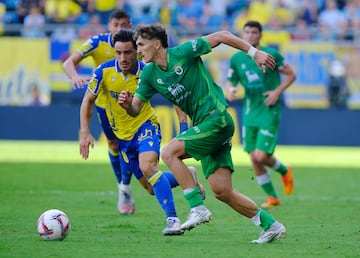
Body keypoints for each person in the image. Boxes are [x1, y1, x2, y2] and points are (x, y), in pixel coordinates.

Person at [118, 24, 286, 244]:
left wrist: (254, 53)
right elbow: (136, 109)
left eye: (140, 45)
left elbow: (223, 36)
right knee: (222, 190)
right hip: (205, 127)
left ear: (156, 44)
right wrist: (128, 105)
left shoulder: (184, 52)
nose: (137, 51)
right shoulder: (149, 74)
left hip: (216, 118)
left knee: (169, 153)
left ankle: (197, 207)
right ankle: (271, 226)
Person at [79, 29, 204, 235]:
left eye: (127, 52)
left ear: (136, 51)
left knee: (149, 166)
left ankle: (172, 220)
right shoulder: (103, 72)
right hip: (123, 137)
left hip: (146, 126)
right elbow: (87, 101)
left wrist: (183, 128)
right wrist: (84, 131)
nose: (123, 58)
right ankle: (188, 176)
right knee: (149, 187)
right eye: (118, 53)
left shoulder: (149, 71)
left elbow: (175, 98)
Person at [63, 10, 136, 215]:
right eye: (116, 24)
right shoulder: (97, 42)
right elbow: (68, 63)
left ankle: (126, 188)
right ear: (110, 27)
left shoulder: (136, 45)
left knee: (128, 148)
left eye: (125, 24)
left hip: (132, 104)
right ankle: (124, 188)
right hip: (105, 106)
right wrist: (75, 76)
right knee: (114, 145)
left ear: (130, 26)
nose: (120, 28)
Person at [226, 20, 296, 208]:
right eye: (247, 32)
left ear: (260, 35)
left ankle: (284, 170)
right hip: (250, 113)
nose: (250, 35)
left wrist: (277, 91)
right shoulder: (237, 59)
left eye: (254, 32)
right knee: (253, 157)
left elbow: (291, 74)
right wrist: (231, 90)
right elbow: (231, 81)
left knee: (261, 156)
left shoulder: (272, 55)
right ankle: (272, 197)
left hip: (268, 110)